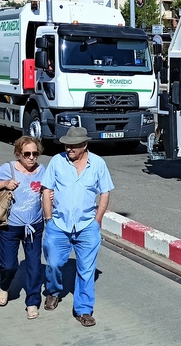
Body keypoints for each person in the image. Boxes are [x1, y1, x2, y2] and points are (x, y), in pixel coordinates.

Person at [41, 126, 113, 327]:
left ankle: (83, 310)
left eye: (73, 146)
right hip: (58, 224)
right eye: (66, 145)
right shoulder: (57, 161)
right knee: (54, 264)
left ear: (84, 145)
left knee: (86, 270)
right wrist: (48, 219)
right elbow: (46, 190)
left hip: (87, 226)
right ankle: (53, 291)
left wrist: (97, 220)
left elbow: (105, 192)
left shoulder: (98, 163)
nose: (68, 148)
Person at [0, 136, 46, 319]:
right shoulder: (8, 169)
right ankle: (5, 285)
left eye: (35, 153)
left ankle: (32, 302)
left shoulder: (42, 171)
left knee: (34, 266)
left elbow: (48, 191)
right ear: (18, 154)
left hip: (34, 227)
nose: (32, 157)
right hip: (9, 227)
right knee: (9, 265)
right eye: (27, 154)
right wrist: (4, 183)